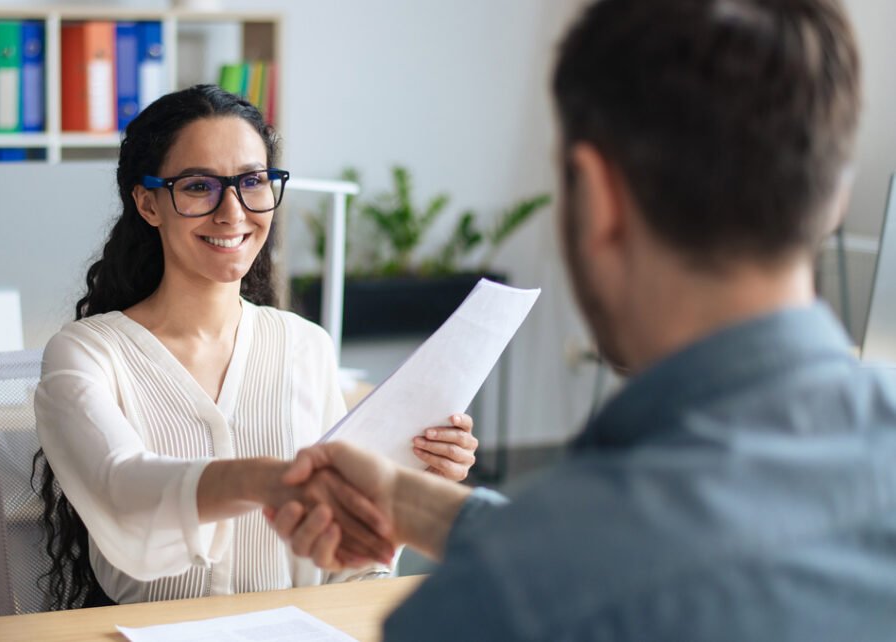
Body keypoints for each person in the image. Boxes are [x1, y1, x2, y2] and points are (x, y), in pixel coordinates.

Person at [267, 0, 896, 639]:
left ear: (597, 197)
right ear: (833, 197)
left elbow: (593, 562)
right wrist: (407, 503)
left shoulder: (500, 605)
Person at [32, 84, 480, 609]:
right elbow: (123, 492)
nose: (233, 211)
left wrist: (408, 481)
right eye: (199, 185)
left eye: (252, 181)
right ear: (148, 202)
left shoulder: (304, 346)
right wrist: (267, 480)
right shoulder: (86, 354)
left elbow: (347, 568)